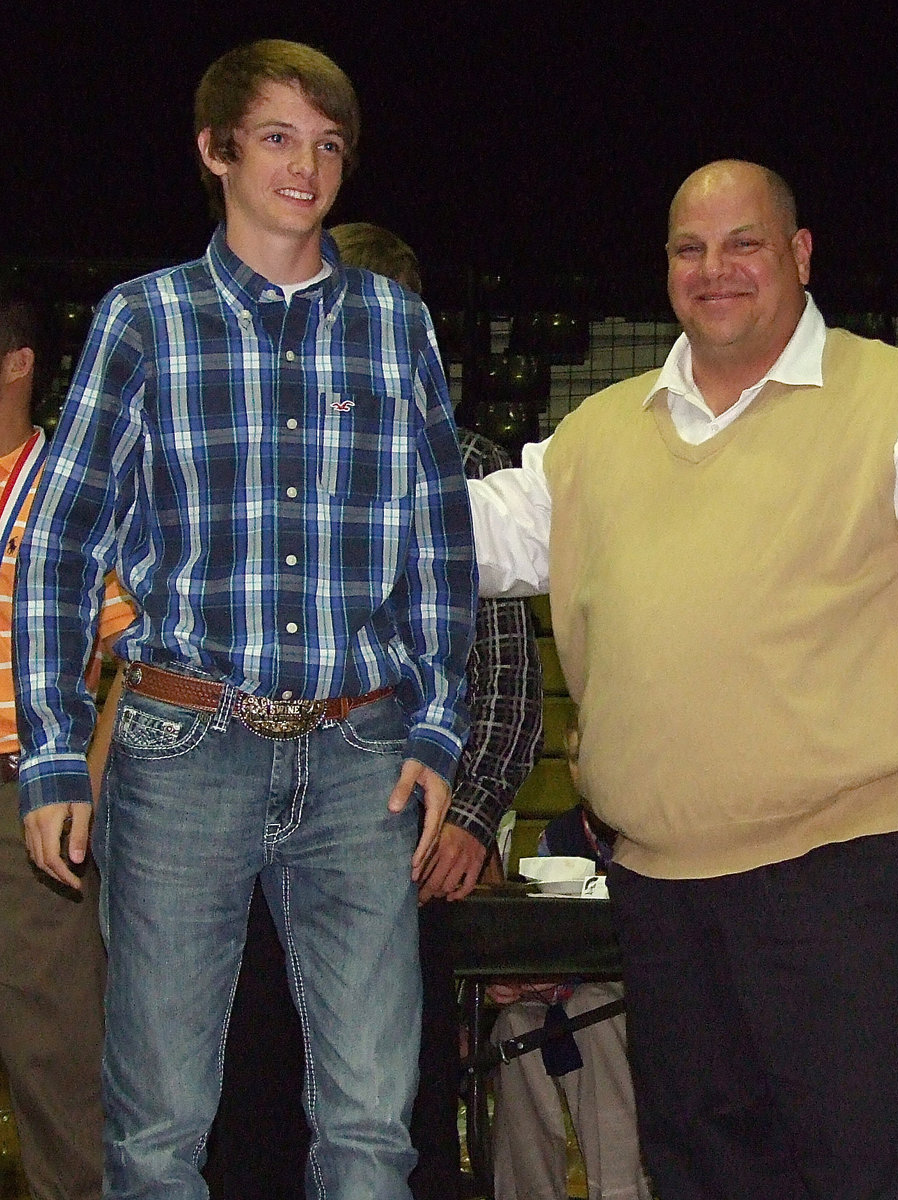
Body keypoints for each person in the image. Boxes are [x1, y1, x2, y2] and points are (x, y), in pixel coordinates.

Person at [467, 159, 898, 1199]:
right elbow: (467, 536)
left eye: (742, 243)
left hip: (857, 877)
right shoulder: (596, 434)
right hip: (662, 893)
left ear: (798, 254)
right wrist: (314, 494)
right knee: (704, 1176)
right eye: (689, 249)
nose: (714, 269)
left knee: (877, 1173)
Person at [13, 39, 476, 1200]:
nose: (305, 167)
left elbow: (438, 542)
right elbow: (59, 544)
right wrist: (56, 751)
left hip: (362, 752)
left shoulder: (395, 327)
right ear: (214, 151)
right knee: (157, 1131)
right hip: (181, 750)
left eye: (327, 145)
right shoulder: (142, 320)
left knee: (373, 1127)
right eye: (276, 138)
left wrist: (436, 730)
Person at [205, 221, 543, 1200]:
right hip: (248, 843)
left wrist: (470, 816)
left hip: (395, 846)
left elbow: (504, 678)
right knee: (252, 1108)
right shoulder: (242, 458)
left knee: (393, 1109)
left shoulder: (466, 466)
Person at [0, 290, 135, 1200]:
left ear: (18, 364)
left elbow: (139, 652)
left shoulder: (73, 487)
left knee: (54, 1056)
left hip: (24, 798)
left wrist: (88, 773)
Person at [489, 724, 650, 1200]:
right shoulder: (556, 839)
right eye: (575, 759)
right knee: (514, 1028)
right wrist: (517, 979)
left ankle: (619, 1191)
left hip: (639, 998)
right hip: (565, 993)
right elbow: (539, 938)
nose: (584, 770)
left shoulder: (655, 835)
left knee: (590, 1012)